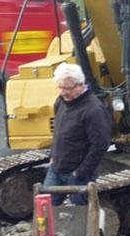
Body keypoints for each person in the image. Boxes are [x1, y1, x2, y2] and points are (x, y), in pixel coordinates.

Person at [45, 63, 112, 205]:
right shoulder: (61, 102)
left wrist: (80, 172)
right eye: (60, 87)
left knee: (83, 214)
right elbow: (58, 132)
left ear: (80, 85)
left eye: (67, 88)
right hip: (56, 169)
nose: (63, 92)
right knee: (44, 209)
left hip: (78, 174)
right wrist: (53, 157)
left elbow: (100, 145)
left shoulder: (94, 110)